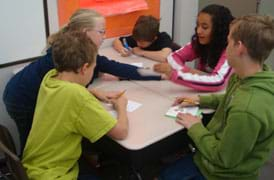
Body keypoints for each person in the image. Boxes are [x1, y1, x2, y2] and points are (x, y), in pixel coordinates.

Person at [2, 9, 161, 154]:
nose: (104, 36)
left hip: (24, 89)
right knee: (33, 145)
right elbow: (120, 131)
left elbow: (114, 67)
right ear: (85, 33)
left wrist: (157, 73)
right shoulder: (65, 57)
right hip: (22, 98)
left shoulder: (75, 51)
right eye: (101, 32)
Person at [159, 14, 274, 180]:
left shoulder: (247, 109)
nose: (225, 48)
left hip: (220, 173)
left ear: (239, 47)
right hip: (209, 157)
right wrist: (200, 100)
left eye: (228, 42)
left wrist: (196, 127)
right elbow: (230, 98)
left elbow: (224, 158)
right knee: (166, 172)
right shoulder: (246, 77)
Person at [22, 31, 128, 180]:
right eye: (93, 68)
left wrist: (93, 92)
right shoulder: (78, 96)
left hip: (34, 166)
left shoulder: (51, 77)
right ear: (84, 68)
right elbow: (121, 132)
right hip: (54, 175)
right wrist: (121, 106)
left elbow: (67, 95)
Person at [154, 4, 234, 92]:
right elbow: (173, 57)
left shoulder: (230, 50)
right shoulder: (198, 42)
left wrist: (176, 74)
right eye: (198, 25)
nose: (198, 31)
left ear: (219, 30)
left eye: (205, 27)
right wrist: (186, 71)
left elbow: (217, 82)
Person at [113, 15, 180, 62]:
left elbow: (165, 57)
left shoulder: (163, 38)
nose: (138, 44)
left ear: (154, 38)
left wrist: (142, 52)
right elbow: (116, 41)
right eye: (137, 41)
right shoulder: (139, 37)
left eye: (142, 43)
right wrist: (122, 49)